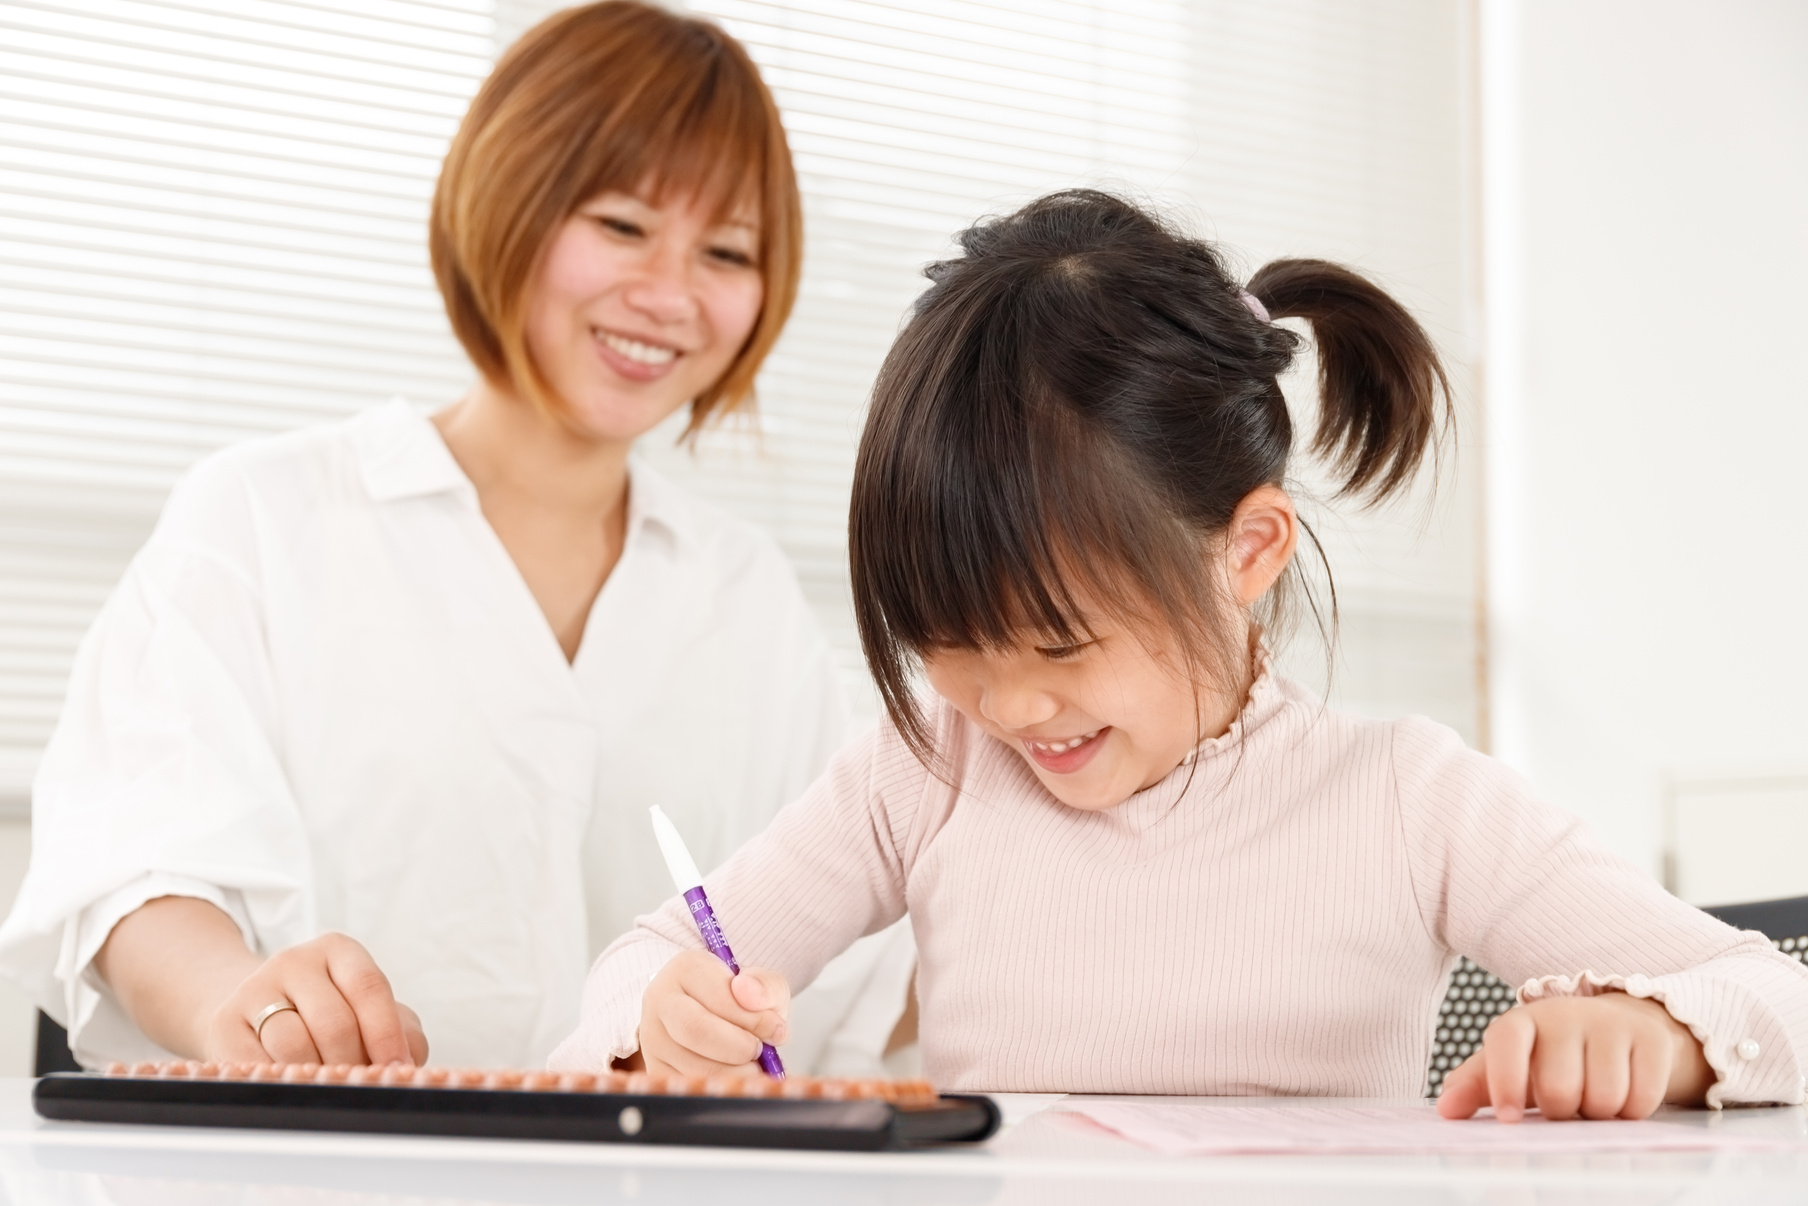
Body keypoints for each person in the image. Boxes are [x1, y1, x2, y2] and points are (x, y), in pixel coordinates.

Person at [549, 190, 1808, 1119]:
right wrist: (659, 1020)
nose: (1009, 704)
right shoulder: (923, 775)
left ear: (1247, 552)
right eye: (950, 648)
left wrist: (1663, 1031)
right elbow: (644, 962)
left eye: (1058, 641)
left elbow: (1776, 998)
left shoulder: (1406, 800)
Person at [0, 1, 896, 1071]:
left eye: (726, 250)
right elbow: (133, 871)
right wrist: (244, 1003)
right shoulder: (262, 517)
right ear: (505, 199)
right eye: (620, 225)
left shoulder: (744, 594)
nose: (667, 295)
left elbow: (854, 946)